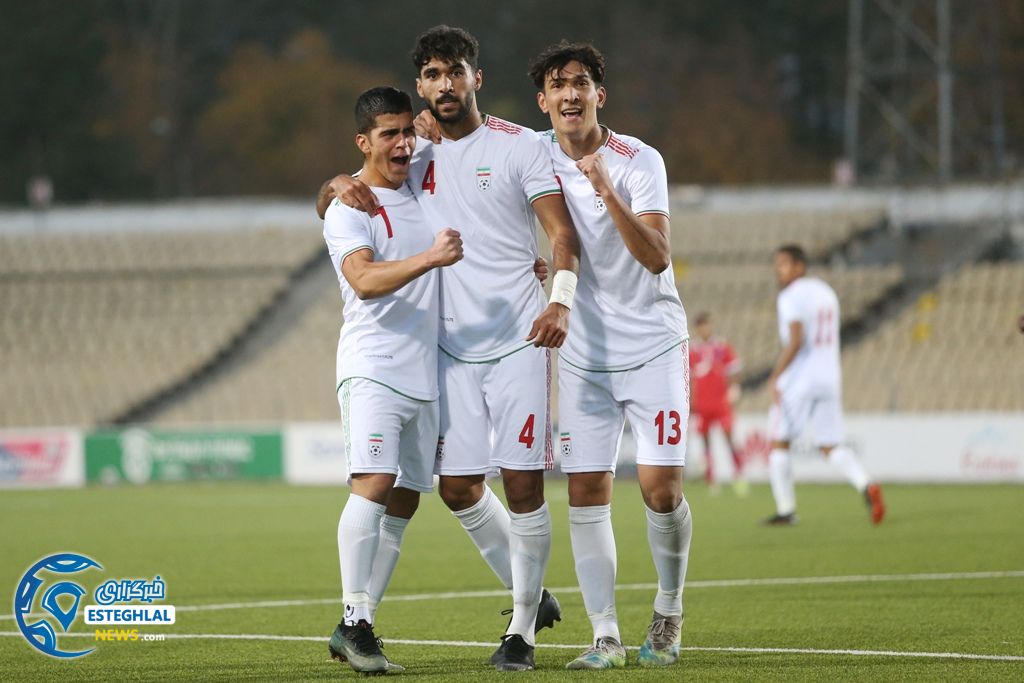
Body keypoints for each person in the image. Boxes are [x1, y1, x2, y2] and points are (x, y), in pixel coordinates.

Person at [317, 26, 580, 672]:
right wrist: (329, 187)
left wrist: (560, 298)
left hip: (518, 338)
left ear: (475, 78)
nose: (443, 85)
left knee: (520, 482)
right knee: (458, 487)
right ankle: (367, 617)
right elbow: (358, 190)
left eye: (453, 72)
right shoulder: (417, 157)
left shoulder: (520, 147)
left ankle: (522, 630)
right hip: (446, 356)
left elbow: (563, 233)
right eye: (431, 75)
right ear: (422, 87)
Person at [529, 41, 692, 669]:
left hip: (652, 345)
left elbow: (656, 255)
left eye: (582, 82)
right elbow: (472, 131)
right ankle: (605, 637)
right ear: (542, 100)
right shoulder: (533, 153)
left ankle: (669, 611)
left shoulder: (637, 160)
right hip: (582, 354)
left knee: (659, 492)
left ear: (602, 95)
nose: (571, 93)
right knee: (587, 491)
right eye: (557, 84)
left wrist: (604, 191)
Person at [324, 86, 463, 674]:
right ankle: (356, 621)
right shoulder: (348, 207)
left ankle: (357, 623)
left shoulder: (416, 177)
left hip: (423, 369)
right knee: (374, 482)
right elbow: (364, 280)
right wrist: (431, 257)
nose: (403, 142)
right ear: (364, 141)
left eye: (407, 129)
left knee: (406, 496)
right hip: (374, 365)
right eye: (388, 133)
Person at [764, 244, 886, 526]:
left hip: (800, 377)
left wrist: (775, 376)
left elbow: (796, 339)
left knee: (779, 440)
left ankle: (786, 510)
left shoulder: (790, 296)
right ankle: (866, 484)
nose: (777, 270)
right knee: (830, 445)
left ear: (799, 266)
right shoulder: (825, 291)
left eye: (783, 264)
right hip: (829, 376)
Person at [688, 312, 748, 495]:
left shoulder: (721, 347)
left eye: (706, 325)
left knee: (729, 439)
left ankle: (739, 477)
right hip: (702, 404)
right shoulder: (693, 351)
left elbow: (735, 369)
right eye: (701, 326)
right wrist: (690, 401)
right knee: (706, 443)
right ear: (697, 329)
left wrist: (734, 389)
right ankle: (711, 480)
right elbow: (688, 378)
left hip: (721, 403)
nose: (704, 329)